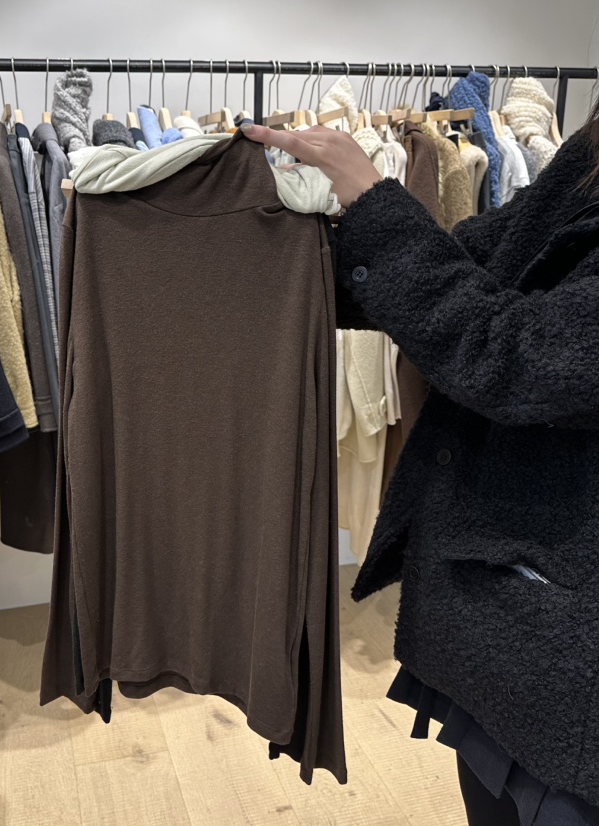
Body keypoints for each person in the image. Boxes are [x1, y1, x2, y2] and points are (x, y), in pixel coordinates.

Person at [241, 105, 599, 826]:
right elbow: (474, 262)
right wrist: (275, 243)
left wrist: (372, 198)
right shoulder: (587, 161)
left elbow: (514, 356)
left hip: (568, 643)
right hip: (518, 609)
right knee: (494, 787)